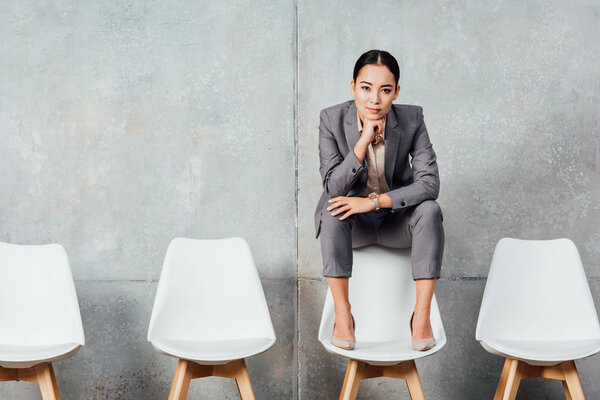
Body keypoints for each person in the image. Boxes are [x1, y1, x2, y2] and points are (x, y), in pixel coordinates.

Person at [314, 49, 444, 351]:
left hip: (396, 223)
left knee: (430, 209)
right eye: (366, 88)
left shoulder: (412, 119)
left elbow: (429, 184)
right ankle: (344, 316)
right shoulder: (331, 119)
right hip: (353, 225)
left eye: (385, 90)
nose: (374, 99)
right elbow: (334, 188)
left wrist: (374, 202)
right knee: (333, 210)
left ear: (396, 92)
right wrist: (361, 142)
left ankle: (420, 317)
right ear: (353, 87)